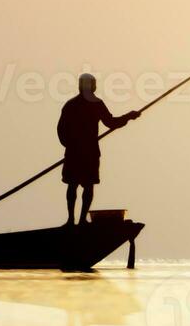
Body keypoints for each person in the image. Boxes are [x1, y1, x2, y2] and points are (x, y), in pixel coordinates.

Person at [57, 73, 140, 226]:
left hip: (80, 152)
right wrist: (129, 116)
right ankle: (77, 220)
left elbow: (61, 130)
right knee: (81, 185)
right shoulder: (89, 104)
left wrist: (128, 116)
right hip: (85, 152)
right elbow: (111, 122)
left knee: (77, 185)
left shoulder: (75, 104)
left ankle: (75, 220)